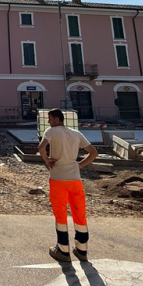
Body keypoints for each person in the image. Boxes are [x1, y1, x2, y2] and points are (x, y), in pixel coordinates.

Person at [37, 108, 98, 263]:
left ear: (57, 119)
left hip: (58, 179)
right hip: (75, 180)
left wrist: (47, 160)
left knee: (60, 214)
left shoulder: (51, 132)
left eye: (50, 119)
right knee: (79, 213)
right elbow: (93, 153)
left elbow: (41, 147)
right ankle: (82, 249)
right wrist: (80, 165)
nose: (49, 122)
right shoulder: (76, 134)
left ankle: (63, 249)